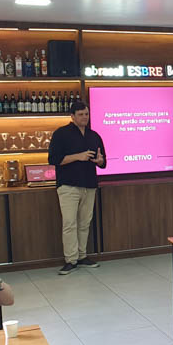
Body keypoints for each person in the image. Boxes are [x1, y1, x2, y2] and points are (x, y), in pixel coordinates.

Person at [47, 100, 106, 275]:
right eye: (80, 114)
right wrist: (77, 156)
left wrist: (100, 161)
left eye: (86, 114)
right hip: (68, 185)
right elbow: (53, 159)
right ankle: (70, 260)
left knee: (84, 223)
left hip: (89, 184)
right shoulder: (61, 134)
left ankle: (82, 256)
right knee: (70, 223)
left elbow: (103, 162)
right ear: (72, 116)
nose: (84, 117)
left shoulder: (94, 135)